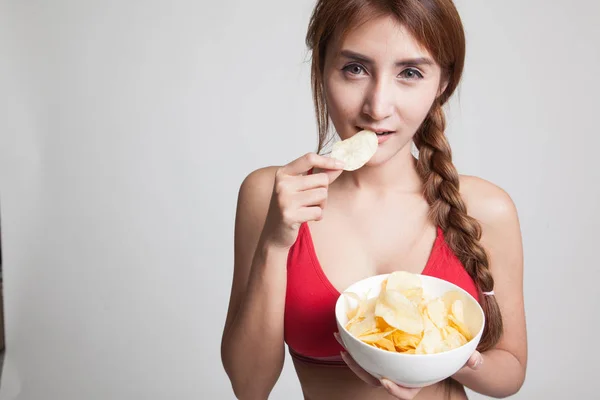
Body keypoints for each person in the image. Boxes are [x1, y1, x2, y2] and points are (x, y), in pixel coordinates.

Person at [220, 0, 527, 399]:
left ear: (444, 83)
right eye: (355, 69)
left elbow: (511, 372)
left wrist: (450, 358)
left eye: (410, 73)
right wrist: (275, 245)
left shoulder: (485, 208)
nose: (378, 106)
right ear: (322, 70)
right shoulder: (271, 196)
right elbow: (249, 386)